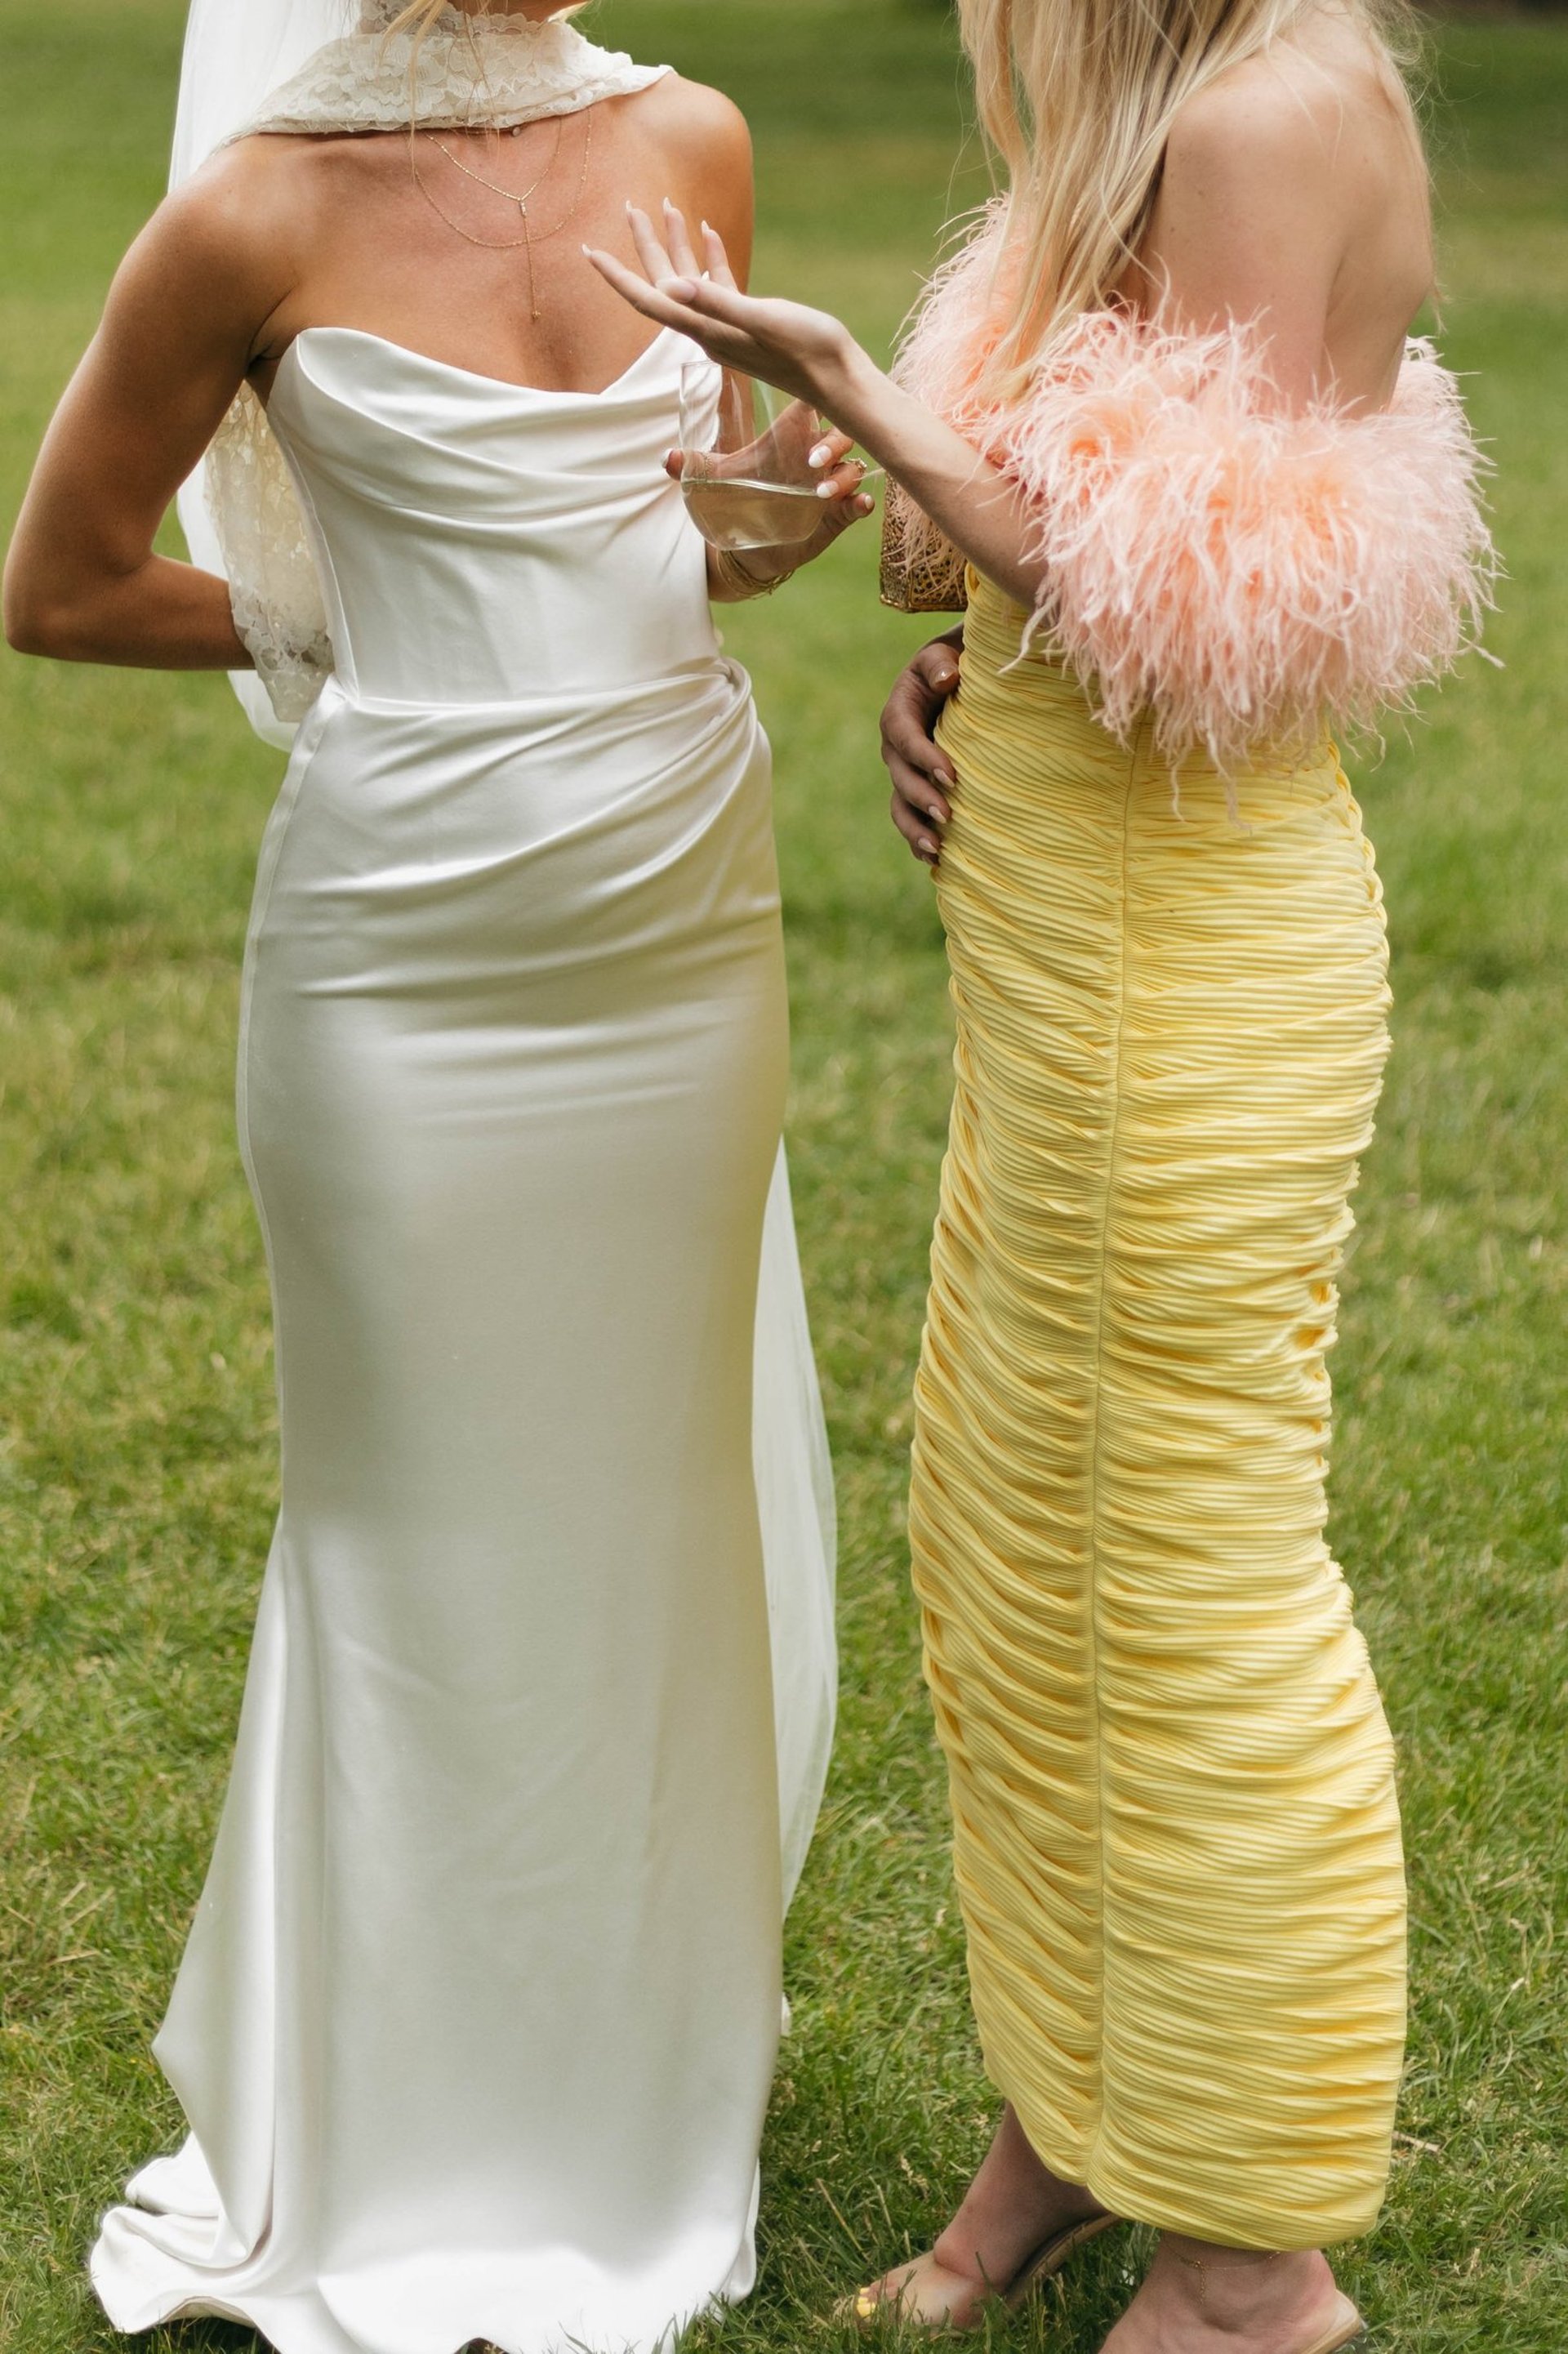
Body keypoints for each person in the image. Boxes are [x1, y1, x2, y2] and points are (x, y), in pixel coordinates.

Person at [587, 0, 1494, 2344]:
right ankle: (1086, 2118)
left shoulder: (1262, 112)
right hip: (1070, 937)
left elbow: (1196, 604)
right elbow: (1105, 568)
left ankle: (1257, 2254)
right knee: (1013, 1545)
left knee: (1182, 1585)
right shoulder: (1167, 109)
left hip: (1184, 978)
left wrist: (860, 391)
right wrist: (952, 668)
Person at [2, 4, 870, 2350]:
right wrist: (347, 620)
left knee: (643, 1495)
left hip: (678, 915)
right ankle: (399, 2114)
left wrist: (759, 534)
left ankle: (628, 2066)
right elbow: (58, 581)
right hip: (401, 961)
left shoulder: (690, 131)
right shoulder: (251, 212)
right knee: (405, 1518)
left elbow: (671, 535)